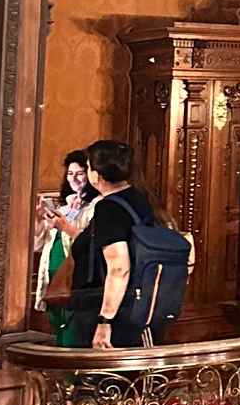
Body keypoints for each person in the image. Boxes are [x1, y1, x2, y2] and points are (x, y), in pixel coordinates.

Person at [67, 140, 163, 349]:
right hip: (136, 305)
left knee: (98, 369)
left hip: (109, 309)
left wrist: (105, 321)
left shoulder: (108, 208)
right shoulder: (138, 198)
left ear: (97, 174)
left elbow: (119, 268)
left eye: (88, 167)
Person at [33, 150, 97, 346]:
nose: (74, 179)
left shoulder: (96, 206)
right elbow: (37, 244)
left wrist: (65, 226)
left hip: (74, 276)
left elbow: (90, 243)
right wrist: (38, 218)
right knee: (57, 326)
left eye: (80, 173)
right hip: (52, 276)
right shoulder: (63, 207)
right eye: (70, 173)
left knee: (73, 331)